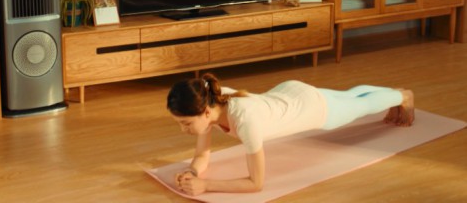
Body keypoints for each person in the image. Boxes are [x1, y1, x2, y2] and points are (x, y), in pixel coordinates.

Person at [166, 73, 414, 196]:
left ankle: (403, 96)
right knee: (349, 96)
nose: (183, 130)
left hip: (312, 108)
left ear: (205, 112)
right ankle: (393, 92)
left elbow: (256, 183)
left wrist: (206, 185)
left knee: (362, 106)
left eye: (186, 123)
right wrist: (192, 172)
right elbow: (202, 155)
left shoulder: (246, 121)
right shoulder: (212, 98)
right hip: (289, 93)